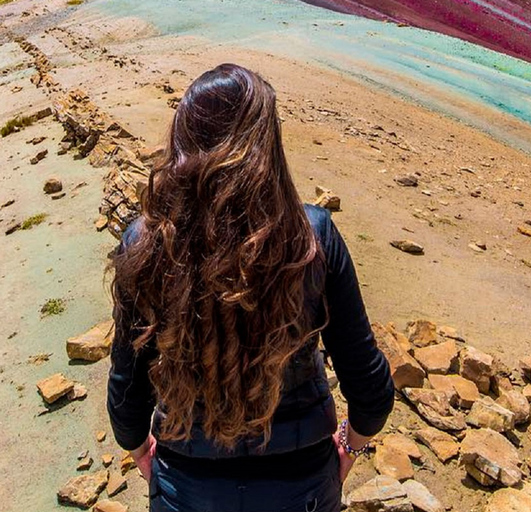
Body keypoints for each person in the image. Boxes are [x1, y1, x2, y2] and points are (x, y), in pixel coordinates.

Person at [108, 63, 395, 512]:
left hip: (187, 485)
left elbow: (127, 389)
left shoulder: (145, 244)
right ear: (268, 145)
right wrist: (350, 450)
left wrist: (139, 449)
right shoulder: (312, 237)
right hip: (302, 485)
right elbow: (369, 386)